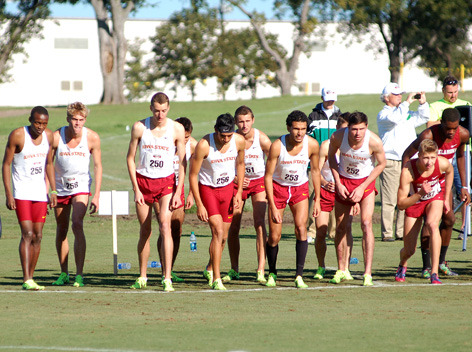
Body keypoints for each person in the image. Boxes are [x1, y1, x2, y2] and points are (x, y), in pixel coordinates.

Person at [126, 92, 186, 292]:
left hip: (166, 183)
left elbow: (182, 162)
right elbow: (130, 158)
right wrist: (136, 188)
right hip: (143, 182)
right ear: (151, 108)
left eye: (164, 110)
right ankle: (142, 276)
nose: (160, 114)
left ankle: (166, 277)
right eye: (156, 110)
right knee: (145, 230)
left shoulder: (177, 129)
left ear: (168, 108)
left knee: (165, 226)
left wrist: (178, 192)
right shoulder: (139, 127)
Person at [403, 108, 470, 278]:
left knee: (449, 219)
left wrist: (464, 186)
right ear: (441, 122)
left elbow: (461, 156)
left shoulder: (463, 134)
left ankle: (440, 262)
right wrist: (410, 183)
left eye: (454, 128)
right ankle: (426, 266)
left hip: (444, 181)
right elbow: (407, 155)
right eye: (448, 128)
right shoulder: (428, 135)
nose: (451, 132)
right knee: (429, 222)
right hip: (424, 182)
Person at [328, 111, 386, 286]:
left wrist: (362, 187)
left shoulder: (374, 141)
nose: (357, 133)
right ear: (348, 128)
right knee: (341, 226)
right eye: (353, 129)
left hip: (365, 182)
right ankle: (342, 269)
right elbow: (331, 157)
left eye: (361, 129)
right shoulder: (338, 137)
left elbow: (381, 164)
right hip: (344, 181)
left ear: (366, 127)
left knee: (366, 223)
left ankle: (367, 272)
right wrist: (338, 182)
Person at [264, 110, 321, 289]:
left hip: (299, 189)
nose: (299, 133)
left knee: (301, 228)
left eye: (303, 129)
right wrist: (272, 205)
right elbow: (267, 176)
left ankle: (299, 275)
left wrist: (317, 199)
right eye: (296, 129)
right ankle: (272, 272)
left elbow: (316, 171)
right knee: (274, 236)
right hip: (278, 189)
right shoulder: (277, 146)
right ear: (289, 128)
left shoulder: (312, 145)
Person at [2, 106, 57, 290]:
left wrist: (53, 191)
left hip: (40, 193)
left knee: (38, 235)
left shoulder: (48, 136)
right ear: (30, 120)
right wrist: (9, 194)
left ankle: (32, 277)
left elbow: (49, 163)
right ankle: (26, 279)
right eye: (37, 122)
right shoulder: (18, 135)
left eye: (44, 123)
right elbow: (6, 164)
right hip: (22, 193)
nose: (40, 127)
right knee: (27, 233)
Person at [189, 113, 245, 290]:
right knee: (218, 232)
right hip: (208, 190)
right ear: (216, 130)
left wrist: (239, 192)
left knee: (223, 237)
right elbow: (193, 174)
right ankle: (217, 278)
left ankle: (210, 267)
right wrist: (199, 204)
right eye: (223, 136)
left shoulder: (238, 141)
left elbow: (241, 164)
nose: (226, 139)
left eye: (229, 135)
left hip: (228, 190)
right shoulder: (204, 145)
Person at [51, 102, 102, 287]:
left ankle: (79, 274)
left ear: (85, 120)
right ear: (68, 119)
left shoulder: (92, 138)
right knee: (61, 228)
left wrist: (96, 195)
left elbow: (97, 166)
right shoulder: (56, 136)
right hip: (60, 186)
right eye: (74, 119)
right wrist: (49, 190)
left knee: (77, 223)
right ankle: (64, 273)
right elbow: (48, 164)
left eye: (81, 120)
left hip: (81, 185)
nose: (77, 124)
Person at [222, 106, 271, 284]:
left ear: (253, 120)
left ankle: (260, 269)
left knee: (259, 224)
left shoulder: (262, 139)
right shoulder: (230, 139)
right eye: (241, 121)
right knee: (233, 226)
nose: (244, 125)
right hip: (237, 185)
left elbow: (274, 160)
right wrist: (235, 178)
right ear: (236, 122)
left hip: (258, 183)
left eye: (247, 121)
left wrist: (268, 181)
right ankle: (235, 269)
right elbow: (222, 163)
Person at [395, 139, 453, 284]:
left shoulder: (442, 163)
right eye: (426, 157)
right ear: (419, 156)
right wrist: (420, 194)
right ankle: (402, 264)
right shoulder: (408, 171)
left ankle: (434, 273)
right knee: (409, 250)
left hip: (434, 198)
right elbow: (401, 204)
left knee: (432, 225)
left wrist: (446, 198)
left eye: (432, 157)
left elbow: (450, 171)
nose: (429, 162)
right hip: (414, 202)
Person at [377, 83, 430, 242]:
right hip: (391, 160)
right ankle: (387, 234)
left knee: (405, 196)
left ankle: (400, 232)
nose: (399, 96)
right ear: (387, 98)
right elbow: (395, 118)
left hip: (408, 161)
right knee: (390, 199)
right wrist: (407, 103)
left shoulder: (404, 112)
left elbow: (423, 117)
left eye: (401, 94)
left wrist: (422, 104)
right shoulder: (384, 114)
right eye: (396, 94)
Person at [427, 76, 471, 240]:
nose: (452, 95)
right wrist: (445, 122)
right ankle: (438, 222)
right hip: (441, 153)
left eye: (455, 92)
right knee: (443, 191)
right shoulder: (435, 105)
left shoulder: (465, 105)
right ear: (444, 90)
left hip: (463, 151)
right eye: (449, 92)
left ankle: (464, 225)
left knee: (464, 188)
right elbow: (430, 126)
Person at [157, 117, 197, 283]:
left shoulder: (193, 146)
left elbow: (197, 171)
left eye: (187, 137)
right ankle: (163, 271)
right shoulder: (163, 140)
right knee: (164, 226)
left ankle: (170, 269)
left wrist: (191, 195)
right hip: (161, 187)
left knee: (177, 229)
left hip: (178, 189)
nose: (184, 140)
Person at [313, 113, 350, 280]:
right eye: (342, 130)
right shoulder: (326, 145)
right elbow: (316, 171)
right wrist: (323, 182)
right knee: (321, 231)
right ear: (336, 129)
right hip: (326, 190)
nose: (346, 134)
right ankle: (321, 267)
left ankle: (344, 268)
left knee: (344, 230)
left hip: (345, 191)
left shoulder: (353, 147)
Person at [306, 87, 342, 243]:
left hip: (334, 163)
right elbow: (307, 139)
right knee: (314, 197)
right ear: (322, 97)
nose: (330, 101)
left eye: (332, 98)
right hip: (314, 163)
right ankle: (312, 231)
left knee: (335, 196)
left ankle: (333, 232)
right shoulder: (313, 116)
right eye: (327, 98)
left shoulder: (340, 117)